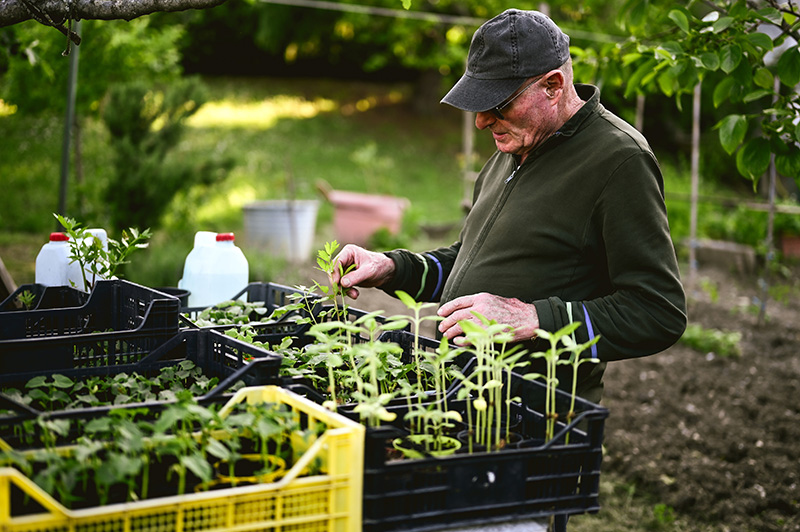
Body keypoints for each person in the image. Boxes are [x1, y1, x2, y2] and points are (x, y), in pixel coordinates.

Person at [332, 8, 687, 409]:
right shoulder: (514, 147)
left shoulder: (619, 161)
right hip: (461, 399)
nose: (483, 121)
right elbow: (466, 263)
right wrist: (392, 267)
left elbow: (658, 311)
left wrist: (533, 320)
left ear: (553, 85)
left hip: (536, 418)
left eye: (498, 104)